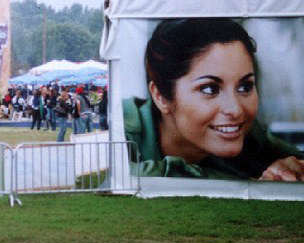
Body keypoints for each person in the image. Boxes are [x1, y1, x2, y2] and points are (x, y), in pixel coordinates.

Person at [124, 18, 304, 180]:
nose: (235, 110)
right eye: (210, 89)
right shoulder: (119, 130)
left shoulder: (245, 135)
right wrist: (247, 184)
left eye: (245, 87)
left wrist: (291, 168)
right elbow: (122, 175)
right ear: (161, 96)